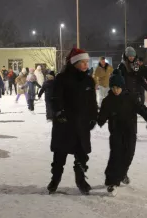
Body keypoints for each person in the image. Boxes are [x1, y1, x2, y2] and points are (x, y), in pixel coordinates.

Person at [47, 48, 98, 195]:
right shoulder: (62, 78)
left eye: (87, 62)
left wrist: (93, 116)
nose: (85, 65)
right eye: (83, 62)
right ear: (75, 62)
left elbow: (92, 102)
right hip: (65, 123)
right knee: (59, 155)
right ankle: (54, 180)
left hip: (81, 124)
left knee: (82, 154)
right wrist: (58, 112)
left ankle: (80, 180)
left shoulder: (89, 80)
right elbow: (55, 98)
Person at [98, 69, 147, 196]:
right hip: (115, 132)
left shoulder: (131, 97)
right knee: (115, 156)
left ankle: (123, 173)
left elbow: (141, 108)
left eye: (118, 87)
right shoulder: (108, 101)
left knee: (129, 154)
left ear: (122, 87)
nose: (115, 90)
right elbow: (101, 117)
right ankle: (112, 182)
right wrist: (96, 120)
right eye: (113, 88)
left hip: (130, 131)